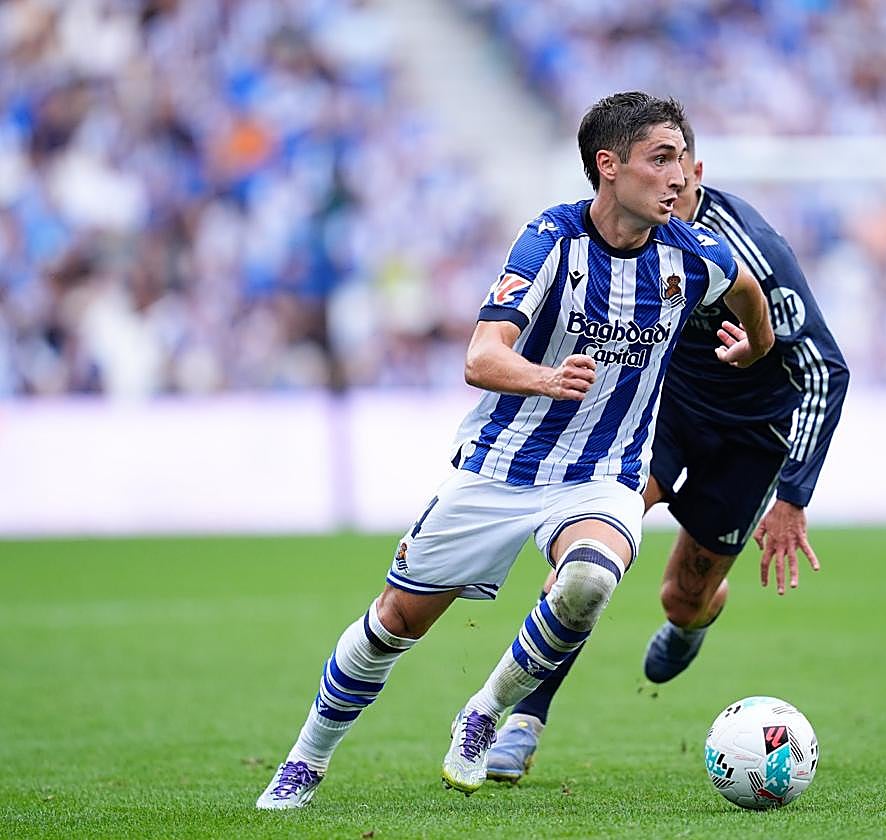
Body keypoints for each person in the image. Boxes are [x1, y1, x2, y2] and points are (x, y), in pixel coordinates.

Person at [255, 91, 776, 808]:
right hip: (501, 468)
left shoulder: (694, 255)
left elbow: (749, 290)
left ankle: (486, 710)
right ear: (609, 167)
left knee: (590, 581)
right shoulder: (550, 242)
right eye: (661, 159)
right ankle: (305, 761)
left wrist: (758, 344)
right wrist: (546, 378)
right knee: (391, 626)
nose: (681, 177)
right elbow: (479, 356)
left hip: (604, 475)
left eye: (684, 160)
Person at [485, 117, 849, 783]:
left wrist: (793, 500)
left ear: (697, 178)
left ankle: (693, 621)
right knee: (585, 556)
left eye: (679, 180)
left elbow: (827, 369)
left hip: (750, 438)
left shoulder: (750, 251)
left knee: (681, 599)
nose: (666, 202)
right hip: (664, 415)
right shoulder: (626, 231)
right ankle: (523, 720)